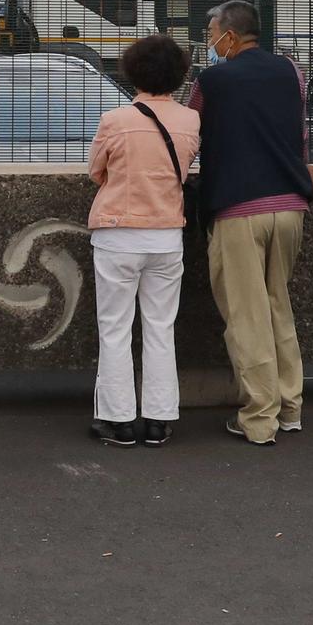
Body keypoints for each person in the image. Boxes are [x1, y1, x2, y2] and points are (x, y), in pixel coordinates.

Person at [189, 0, 313, 446]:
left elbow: (188, 133)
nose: (210, 43)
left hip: (238, 210)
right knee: (276, 307)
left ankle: (258, 418)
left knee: (246, 317)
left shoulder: (211, 80)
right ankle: (291, 407)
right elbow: (299, 135)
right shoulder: (291, 71)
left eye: (212, 34)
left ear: (230, 35)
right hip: (289, 205)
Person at [85, 34, 199, 448]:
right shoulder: (190, 120)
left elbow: (97, 171)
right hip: (167, 235)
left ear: (132, 72)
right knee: (160, 327)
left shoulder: (116, 120)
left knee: (115, 328)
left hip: (118, 235)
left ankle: (118, 420)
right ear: (179, 74)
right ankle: (159, 418)